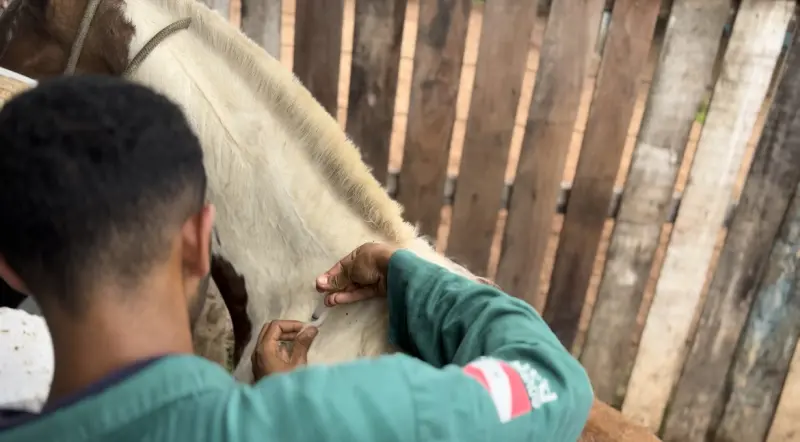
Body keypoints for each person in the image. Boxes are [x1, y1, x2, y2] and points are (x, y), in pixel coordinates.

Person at [0, 75, 593, 441]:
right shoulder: (341, 419)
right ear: (198, 240)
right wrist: (402, 274)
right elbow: (549, 382)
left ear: (8, 266)